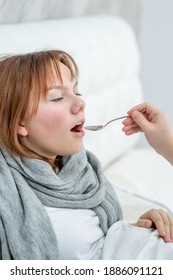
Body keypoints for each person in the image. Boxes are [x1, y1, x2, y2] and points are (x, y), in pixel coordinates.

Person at [0, 50, 173, 260]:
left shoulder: (84, 169)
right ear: (19, 122)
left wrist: (133, 231)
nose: (80, 104)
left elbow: (99, 245)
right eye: (57, 98)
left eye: (77, 93)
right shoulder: (8, 191)